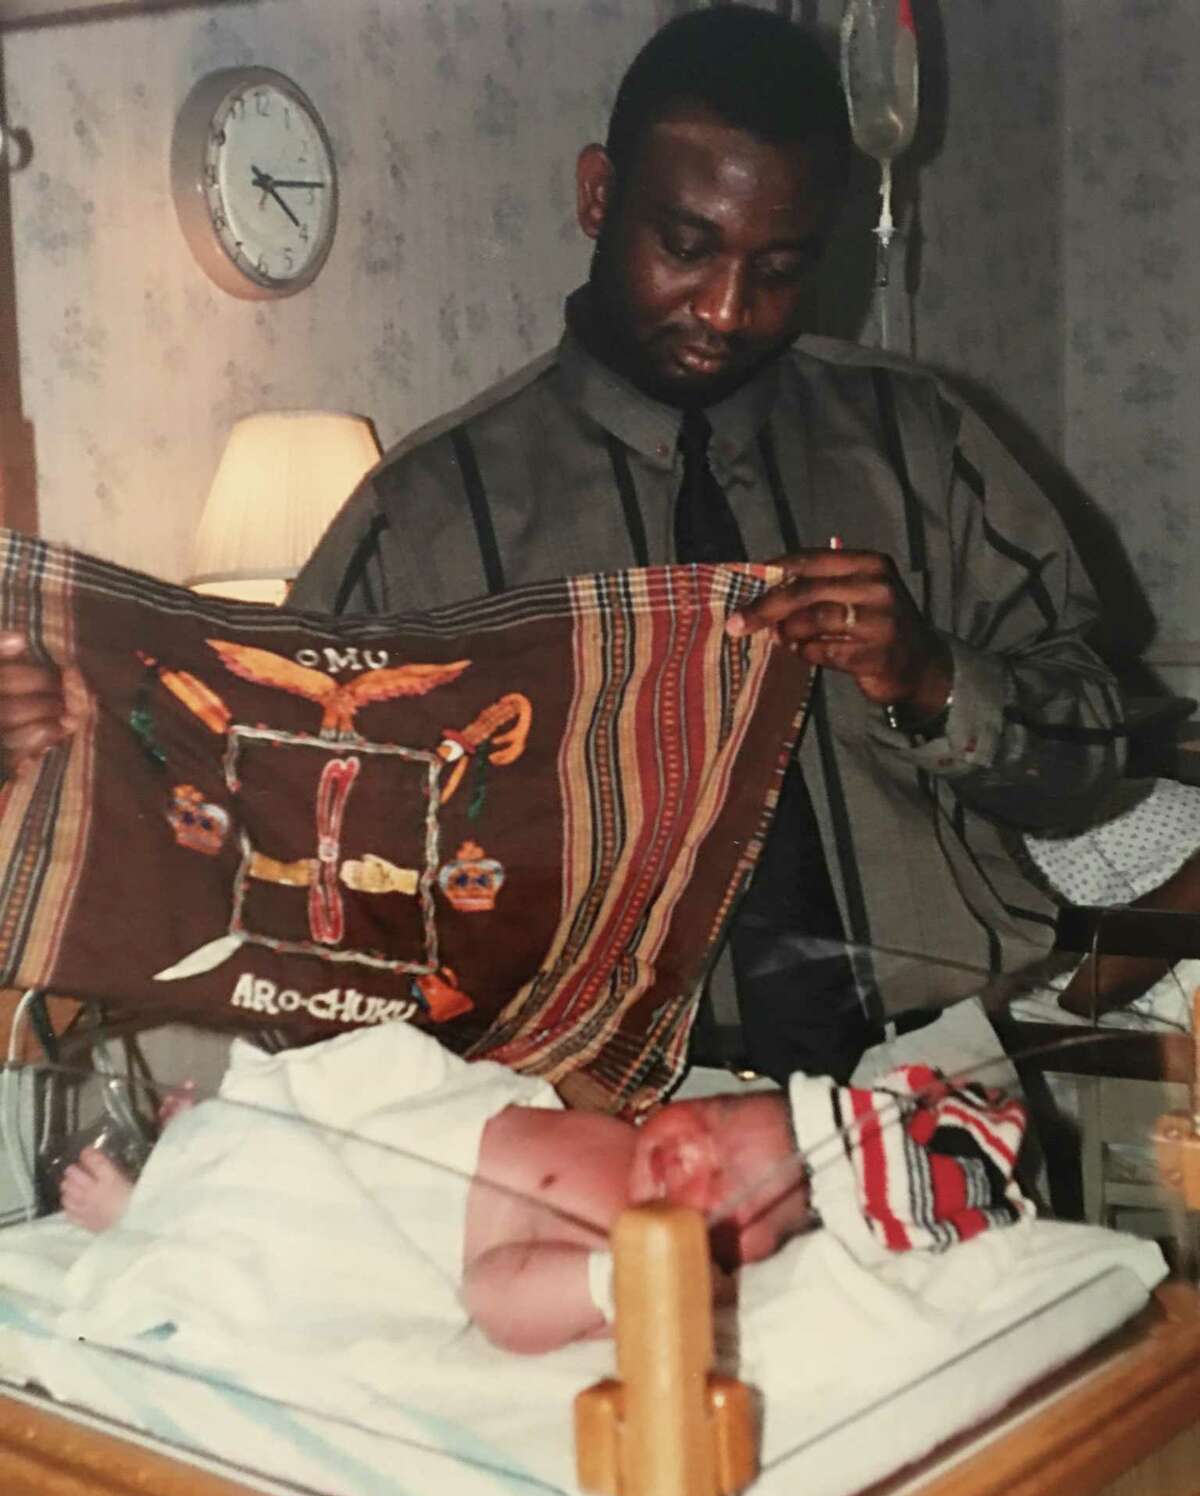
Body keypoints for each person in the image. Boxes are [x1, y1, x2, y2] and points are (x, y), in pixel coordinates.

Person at [0, 7, 1121, 1085]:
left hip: (930, 1075)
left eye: (780, 268)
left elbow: (1098, 762)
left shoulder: (926, 444)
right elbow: (280, 824)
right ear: (599, 195)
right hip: (584, 1121)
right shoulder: (425, 520)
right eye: (688, 246)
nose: (728, 309)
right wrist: (57, 743)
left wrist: (927, 679)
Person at [55, 1018, 1028, 1356]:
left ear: (750, 1250)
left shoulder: (633, 1248)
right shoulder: (634, 1134)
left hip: (393, 1221)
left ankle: (145, 1216)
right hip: (421, 1121)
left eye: (728, 1184)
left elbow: (497, 1298)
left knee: (265, 1225)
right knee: (301, 1097)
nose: (693, 1153)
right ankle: (208, 1138)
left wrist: (618, 1282)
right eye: (721, 1122)